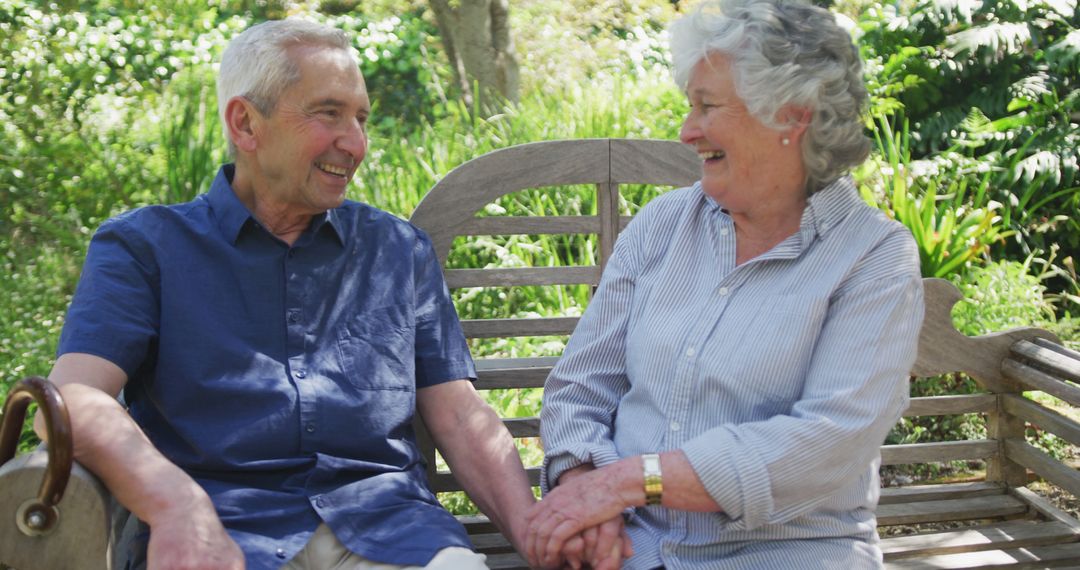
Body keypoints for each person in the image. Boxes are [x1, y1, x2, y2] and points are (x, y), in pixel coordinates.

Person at [32, 18, 536, 570]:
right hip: (221, 534)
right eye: (329, 113)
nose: (356, 143)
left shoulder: (396, 250)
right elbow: (72, 401)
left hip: (392, 532)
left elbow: (460, 416)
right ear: (246, 123)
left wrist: (532, 533)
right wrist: (177, 506)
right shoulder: (145, 247)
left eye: (362, 118)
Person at [524, 0, 925, 568]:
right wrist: (587, 494)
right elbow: (582, 386)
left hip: (787, 552)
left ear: (791, 116)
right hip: (627, 547)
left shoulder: (872, 258)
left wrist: (629, 483)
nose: (688, 132)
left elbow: (827, 440)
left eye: (707, 106)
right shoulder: (662, 224)